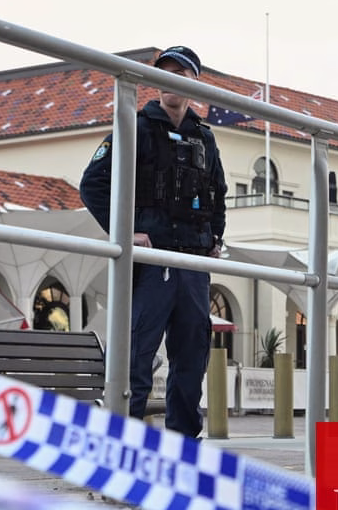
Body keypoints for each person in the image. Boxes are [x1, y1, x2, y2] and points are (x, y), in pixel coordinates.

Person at [79, 45, 227, 438]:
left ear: (195, 83)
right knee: (136, 357)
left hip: (193, 263)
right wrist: (124, 231)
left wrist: (215, 238)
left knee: (192, 358)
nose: (169, 80)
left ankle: (184, 444)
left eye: (180, 73)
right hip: (151, 262)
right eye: (164, 72)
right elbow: (93, 185)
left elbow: (218, 192)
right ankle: (123, 443)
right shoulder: (136, 126)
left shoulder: (204, 138)